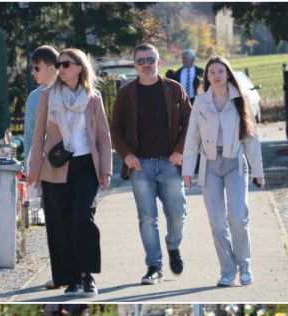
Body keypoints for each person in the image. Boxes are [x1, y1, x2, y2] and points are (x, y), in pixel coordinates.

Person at [27, 48, 113, 298]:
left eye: (66, 64)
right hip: (55, 167)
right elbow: (38, 134)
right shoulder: (47, 96)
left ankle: (87, 276)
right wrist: (33, 169)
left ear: (79, 67)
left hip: (86, 166)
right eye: (59, 64)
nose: (61, 68)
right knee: (60, 223)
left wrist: (106, 169)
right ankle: (71, 279)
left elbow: (103, 137)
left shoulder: (93, 98)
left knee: (82, 218)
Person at [110, 43, 192, 286]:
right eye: (140, 61)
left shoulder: (174, 89)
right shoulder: (126, 94)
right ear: (135, 65)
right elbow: (115, 128)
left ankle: (173, 246)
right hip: (140, 166)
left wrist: (179, 151)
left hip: (170, 163)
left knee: (178, 214)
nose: (146, 64)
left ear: (159, 62)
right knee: (147, 218)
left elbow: (190, 122)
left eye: (150, 59)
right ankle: (154, 266)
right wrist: (125, 155)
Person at [182, 55, 265, 287]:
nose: (216, 76)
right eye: (212, 72)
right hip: (209, 166)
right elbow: (192, 137)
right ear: (206, 76)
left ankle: (245, 266)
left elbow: (251, 137)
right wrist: (187, 169)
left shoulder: (240, 100)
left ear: (228, 73)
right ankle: (227, 270)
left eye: (220, 71)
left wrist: (258, 169)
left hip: (235, 164)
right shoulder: (200, 102)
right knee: (218, 222)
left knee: (237, 217)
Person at [23, 45, 61, 290]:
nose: (33, 73)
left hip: (74, 166)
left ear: (50, 67)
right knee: (55, 223)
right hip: (47, 168)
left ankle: (79, 270)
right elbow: (29, 138)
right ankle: (60, 272)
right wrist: (32, 169)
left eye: (36, 68)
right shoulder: (35, 97)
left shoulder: (72, 91)